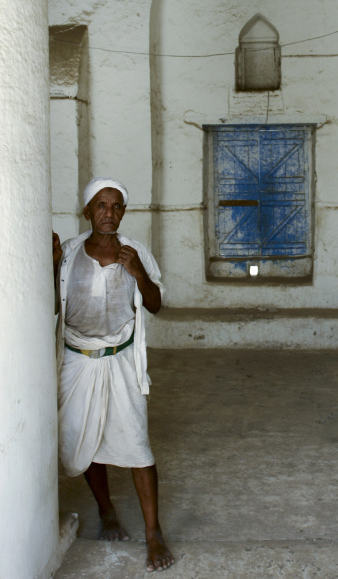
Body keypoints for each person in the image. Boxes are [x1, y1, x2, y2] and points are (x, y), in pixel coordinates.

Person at [53, 177, 174, 573]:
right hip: (77, 361)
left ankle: (153, 533)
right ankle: (106, 511)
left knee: (137, 444)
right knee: (83, 437)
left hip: (121, 360)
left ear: (124, 212)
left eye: (117, 206)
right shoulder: (69, 254)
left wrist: (139, 272)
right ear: (87, 211)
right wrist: (51, 266)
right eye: (101, 206)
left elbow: (154, 305)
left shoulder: (135, 251)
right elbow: (51, 307)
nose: (109, 213)